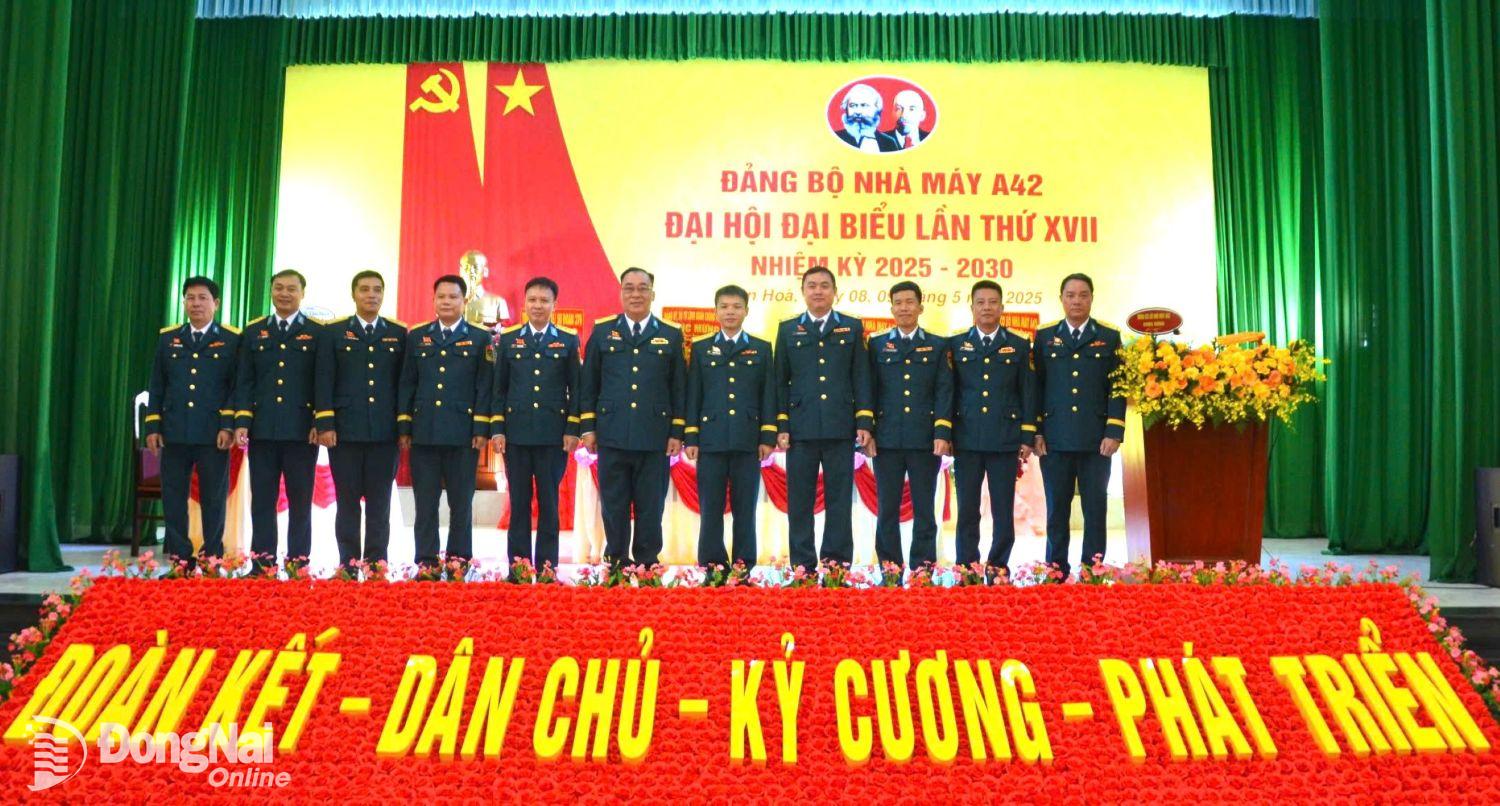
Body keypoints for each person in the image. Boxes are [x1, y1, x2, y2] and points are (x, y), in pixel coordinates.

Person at [579, 267, 686, 568]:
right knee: (614, 504)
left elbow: (679, 387)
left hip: (654, 436)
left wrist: (677, 431)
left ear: (653, 293)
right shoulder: (603, 331)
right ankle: (616, 561)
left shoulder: (670, 334)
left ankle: (647, 563)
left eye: (642, 288)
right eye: (629, 288)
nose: (636, 294)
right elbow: (589, 384)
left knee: (650, 506)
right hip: (611, 434)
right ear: (621, 293)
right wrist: (588, 427)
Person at [773, 265, 874, 571]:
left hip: (840, 427)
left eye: (824, 285)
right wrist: (782, 425)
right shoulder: (788, 329)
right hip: (800, 429)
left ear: (835, 292)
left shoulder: (851, 327)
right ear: (803, 291)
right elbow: (780, 382)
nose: (818, 291)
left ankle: (836, 565)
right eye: (812, 285)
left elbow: (861, 377)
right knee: (799, 502)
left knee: (839, 501)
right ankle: (803, 566)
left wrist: (864, 422)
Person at [399, 274, 494, 573]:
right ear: (433, 300)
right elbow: (407, 383)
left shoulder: (480, 338)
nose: (446, 302)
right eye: (441, 296)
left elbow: (485, 386)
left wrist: (480, 428)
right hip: (424, 433)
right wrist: (404, 426)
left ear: (464, 301)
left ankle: (458, 561)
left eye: (453, 297)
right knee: (425, 503)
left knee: (461, 503)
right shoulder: (417, 336)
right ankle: (426, 562)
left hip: (463, 435)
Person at [1032, 273, 1125, 578]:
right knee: (1057, 510)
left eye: (1083, 295)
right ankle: (1056, 570)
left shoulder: (1109, 337)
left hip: (1096, 440)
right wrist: (1037, 431)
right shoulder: (1045, 337)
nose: (1076, 301)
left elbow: (1118, 387)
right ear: (1061, 299)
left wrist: (1114, 431)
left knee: (1095, 509)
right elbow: (1035, 387)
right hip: (1055, 439)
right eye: (1070, 295)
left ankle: (1092, 570)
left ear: (1092, 298)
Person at [144, 277, 240, 566]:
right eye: (190, 298)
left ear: (216, 303)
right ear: (184, 302)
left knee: (214, 498)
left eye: (202, 298)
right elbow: (157, 385)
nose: (196, 303)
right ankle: (180, 560)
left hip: (213, 434)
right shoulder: (168, 338)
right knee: (173, 498)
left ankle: (212, 559)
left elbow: (235, 387)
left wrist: (227, 425)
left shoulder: (231, 339)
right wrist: (153, 426)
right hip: (174, 431)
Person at [314, 270, 406, 573]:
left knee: (380, 504)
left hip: (384, 433)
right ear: (353, 294)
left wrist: (403, 427)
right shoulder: (334, 331)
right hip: (345, 432)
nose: (371, 295)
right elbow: (324, 379)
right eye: (364, 289)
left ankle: (376, 564)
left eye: (377, 290)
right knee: (347, 502)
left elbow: (404, 384)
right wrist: (325, 423)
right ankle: (349, 563)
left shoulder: (398, 333)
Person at [490, 276, 581, 575]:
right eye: (532, 300)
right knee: (519, 503)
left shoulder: (567, 340)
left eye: (544, 300)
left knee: (549, 504)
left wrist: (572, 429)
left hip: (553, 437)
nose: (538, 305)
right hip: (515, 436)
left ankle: (546, 569)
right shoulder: (509, 339)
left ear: (555, 305)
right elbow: (499, 389)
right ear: (525, 304)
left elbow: (576, 389)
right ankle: (518, 568)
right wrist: (498, 428)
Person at [683, 285, 776, 571]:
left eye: (736, 306)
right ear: (715, 311)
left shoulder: (761, 348)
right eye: (724, 307)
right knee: (710, 509)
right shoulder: (701, 348)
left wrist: (767, 436)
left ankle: (743, 567)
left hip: (748, 440)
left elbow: (768, 395)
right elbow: (693, 394)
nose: (730, 312)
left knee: (744, 510)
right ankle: (712, 567)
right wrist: (691, 436)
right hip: (710, 441)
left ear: (746, 311)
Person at [235, 269, 322, 572]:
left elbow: (322, 381)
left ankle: (298, 564)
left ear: (302, 293)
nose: (285, 294)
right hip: (263, 430)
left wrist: (319, 421)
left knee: (300, 502)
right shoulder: (254, 331)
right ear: (271, 291)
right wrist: (242, 420)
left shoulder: (317, 332)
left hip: (302, 432)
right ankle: (262, 564)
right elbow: (245, 380)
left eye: (291, 289)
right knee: (262, 500)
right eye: (279, 288)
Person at [950, 280, 1037, 581]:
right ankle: (967, 566)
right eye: (981, 302)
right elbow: (950, 392)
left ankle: (998, 564)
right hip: (966, 439)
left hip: (1004, 438)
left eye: (992, 302)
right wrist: (947, 434)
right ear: (972, 307)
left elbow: (1027, 393)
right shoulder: (956, 345)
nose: (986, 307)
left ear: (1002, 307)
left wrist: (1027, 436)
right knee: (968, 509)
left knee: (1002, 508)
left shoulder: (1019, 345)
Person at [867, 281, 952, 576]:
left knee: (924, 509)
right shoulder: (877, 344)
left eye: (909, 302)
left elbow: (944, 390)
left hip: (924, 440)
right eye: (898, 303)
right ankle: (890, 570)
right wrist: (868, 431)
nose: (904, 308)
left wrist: (942, 433)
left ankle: (922, 571)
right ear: (891, 308)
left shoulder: (938, 345)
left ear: (920, 307)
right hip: (886, 440)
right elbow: (869, 389)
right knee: (887, 510)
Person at [834, 83, 899, 153]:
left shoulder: (889, 142)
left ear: (876, 109)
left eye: (864, 105)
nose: (858, 111)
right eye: (852, 105)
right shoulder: (836, 138)